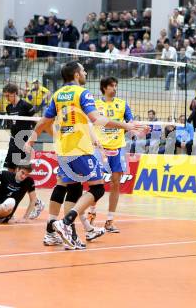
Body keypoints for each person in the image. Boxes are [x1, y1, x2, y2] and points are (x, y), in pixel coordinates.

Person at [25, 62, 145, 250]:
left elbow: (44, 120)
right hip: (80, 149)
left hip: (63, 149)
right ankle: (65, 223)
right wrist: (126, 126)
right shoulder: (82, 93)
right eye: (83, 70)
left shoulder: (57, 95)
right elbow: (97, 119)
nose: (86, 73)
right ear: (76, 74)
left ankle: (61, 233)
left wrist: (31, 139)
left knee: (71, 189)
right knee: (97, 189)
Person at [88, 77, 133, 233]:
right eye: (111, 86)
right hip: (100, 148)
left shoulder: (122, 104)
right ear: (104, 88)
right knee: (96, 182)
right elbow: (89, 124)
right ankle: (91, 213)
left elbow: (130, 123)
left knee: (116, 183)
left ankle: (109, 220)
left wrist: (138, 129)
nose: (114, 88)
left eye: (116, 85)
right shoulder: (95, 105)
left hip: (118, 147)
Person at [3, 83, 36, 172]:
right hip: (13, 139)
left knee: (22, 168)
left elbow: (36, 119)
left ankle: (19, 185)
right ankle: (10, 183)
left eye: (8, 96)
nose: (6, 98)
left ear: (14, 93)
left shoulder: (26, 105)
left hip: (24, 140)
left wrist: (32, 137)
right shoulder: (8, 107)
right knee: (10, 166)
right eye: (5, 96)